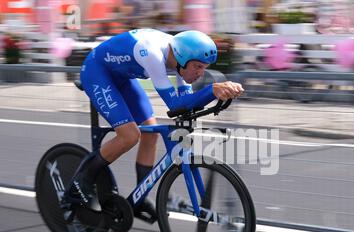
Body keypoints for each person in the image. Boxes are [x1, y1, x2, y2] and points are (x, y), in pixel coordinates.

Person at [65, 29, 244, 221]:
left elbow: (185, 103)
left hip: (123, 78)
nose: (200, 74)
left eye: (203, 68)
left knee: (151, 133)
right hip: (97, 72)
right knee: (130, 135)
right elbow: (175, 105)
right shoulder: (153, 54)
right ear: (182, 58)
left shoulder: (180, 58)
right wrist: (212, 90)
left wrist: (216, 94)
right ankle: (81, 181)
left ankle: (139, 198)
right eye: (198, 67)